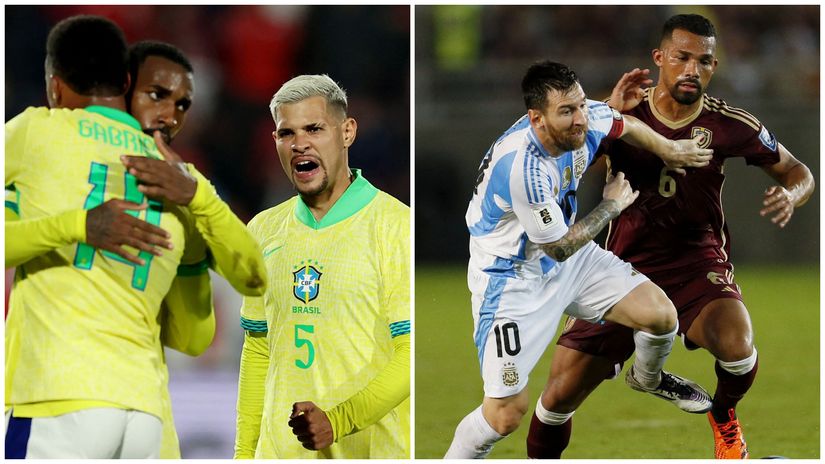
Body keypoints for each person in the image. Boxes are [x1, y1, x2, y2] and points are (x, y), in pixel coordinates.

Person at [529, 14, 815, 459]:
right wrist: (606, 107)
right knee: (555, 403)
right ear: (659, 58)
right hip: (618, 267)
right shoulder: (619, 114)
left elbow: (798, 171)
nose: (690, 70)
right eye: (681, 57)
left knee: (739, 351)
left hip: (695, 263)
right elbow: (555, 150)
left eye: (703, 61)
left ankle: (723, 417)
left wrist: (792, 194)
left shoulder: (730, 124)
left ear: (714, 67)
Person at [4, 17, 265, 458]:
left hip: (57, 400)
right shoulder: (178, 182)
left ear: (54, 87)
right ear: (125, 83)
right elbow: (196, 337)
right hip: (146, 419)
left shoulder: (37, 132)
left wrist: (76, 226)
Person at [444, 60, 716, 459]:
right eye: (567, 111)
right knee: (504, 415)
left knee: (661, 316)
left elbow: (623, 124)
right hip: (513, 280)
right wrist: (611, 205)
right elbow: (558, 247)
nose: (581, 120)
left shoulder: (584, 119)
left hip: (572, 258)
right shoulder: (524, 168)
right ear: (537, 118)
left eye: (581, 106)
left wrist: (670, 148)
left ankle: (648, 378)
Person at [234, 74, 410, 458]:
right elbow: (257, 350)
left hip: (369, 450)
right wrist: (245, 454)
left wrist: (338, 421)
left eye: (314, 128)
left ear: (347, 132)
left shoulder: (396, 225)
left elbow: (409, 355)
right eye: (287, 133)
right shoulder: (262, 229)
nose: (300, 144)